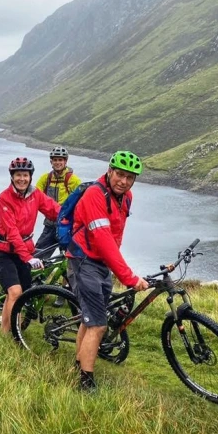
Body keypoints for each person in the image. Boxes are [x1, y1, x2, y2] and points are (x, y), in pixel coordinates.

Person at [66, 151, 149, 391]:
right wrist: (129, 277)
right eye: (120, 175)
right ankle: (86, 381)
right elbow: (102, 238)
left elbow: (116, 233)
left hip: (101, 263)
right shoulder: (94, 194)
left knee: (89, 317)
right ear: (110, 171)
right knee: (98, 325)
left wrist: (115, 266)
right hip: (84, 260)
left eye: (129, 177)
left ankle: (78, 363)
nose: (123, 181)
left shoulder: (126, 197)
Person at [0, 157, 60, 332]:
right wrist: (28, 257)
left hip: (24, 250)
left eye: (25, 175)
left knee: (19, 295)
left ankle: (13, 329)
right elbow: (12, 232)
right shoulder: (4, 198)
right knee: (14, 292)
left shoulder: (35, 194)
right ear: (12, 177)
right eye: (18, 175)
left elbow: (54, 210)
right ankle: (6, 335)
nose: (22, 179)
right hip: (4, 251)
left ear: (30, 177)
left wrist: (74, 220)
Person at [34, 146, 81, 256]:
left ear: (65, 161)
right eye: (55, 160)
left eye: (60, 160)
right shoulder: (46, 178)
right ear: (51, 161)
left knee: (69, 259)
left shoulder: (73, 180)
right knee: (37, 256)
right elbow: (35, 196)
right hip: (50, 225)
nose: (57, 162)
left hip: (67, 227)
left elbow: (82, 201)